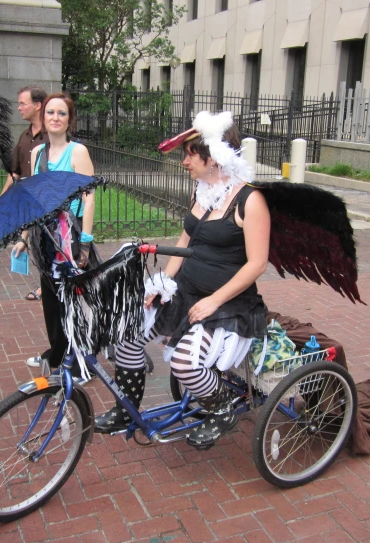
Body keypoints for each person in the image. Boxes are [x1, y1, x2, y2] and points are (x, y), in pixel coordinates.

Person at [94, 111, 271, 449]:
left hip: (228, 304)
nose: (184, 162)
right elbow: (185, 242)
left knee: (184, 362)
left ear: (214, 156)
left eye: (190, 154)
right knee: (127, 332)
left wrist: (213, 301)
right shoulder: (201, 192)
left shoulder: (251, 201)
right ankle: (125, 410)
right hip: (186, 292)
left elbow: (257, 264)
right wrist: (162, 283)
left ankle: (221, 412)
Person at [11, 93, 97, 380]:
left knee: (73, 300)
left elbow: (89, 197)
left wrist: (84, 243)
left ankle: (83, 361)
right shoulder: (37, 154)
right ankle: (58, 353)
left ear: (69, 120)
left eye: (62, 113)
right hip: (44, 236)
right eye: (50, 113)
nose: (55, 118)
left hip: (69, 237)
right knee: (51, 299)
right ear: (43, 117)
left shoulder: (78, 152)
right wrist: (23, 237)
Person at [0, 85, 47, 302]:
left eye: (22, 103)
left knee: (50, 244)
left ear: (37, 106)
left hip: (49, 201)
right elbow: (15, 172)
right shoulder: (25, 137)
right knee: (36, 244)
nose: (19, 108)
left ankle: (49, 286)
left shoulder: (54, 134)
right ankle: (48, 282)